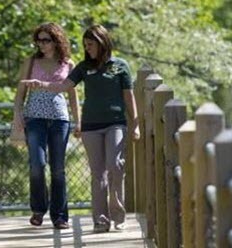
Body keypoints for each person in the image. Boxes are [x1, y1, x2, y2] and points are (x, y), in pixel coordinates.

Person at [22, 25, 140, 233]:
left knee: (115, 165)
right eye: (85, 45)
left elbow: (128, 97)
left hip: (115, 123)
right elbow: (62, 86)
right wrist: (41, 84)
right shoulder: (84, 67)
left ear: (102, 43)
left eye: (91, 44)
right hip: (91, 126)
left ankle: (118, 214)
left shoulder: (120, 66)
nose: (88, 48)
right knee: (98, 174)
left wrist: (136, 124)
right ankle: (100, 220)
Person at [13, 22, 80, 229]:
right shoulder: (31, 62)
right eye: (38, 40)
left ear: (56, 40)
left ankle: (59, 215)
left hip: (60, 120)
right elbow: (20, 93)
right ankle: (38, 209)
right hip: (35, 119)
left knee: (58, 169)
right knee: (37, 164)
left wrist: (79, 121)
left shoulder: (68, 64)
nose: (41, 44)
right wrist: (17, 115)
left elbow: (73, 95)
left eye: (45, 40)